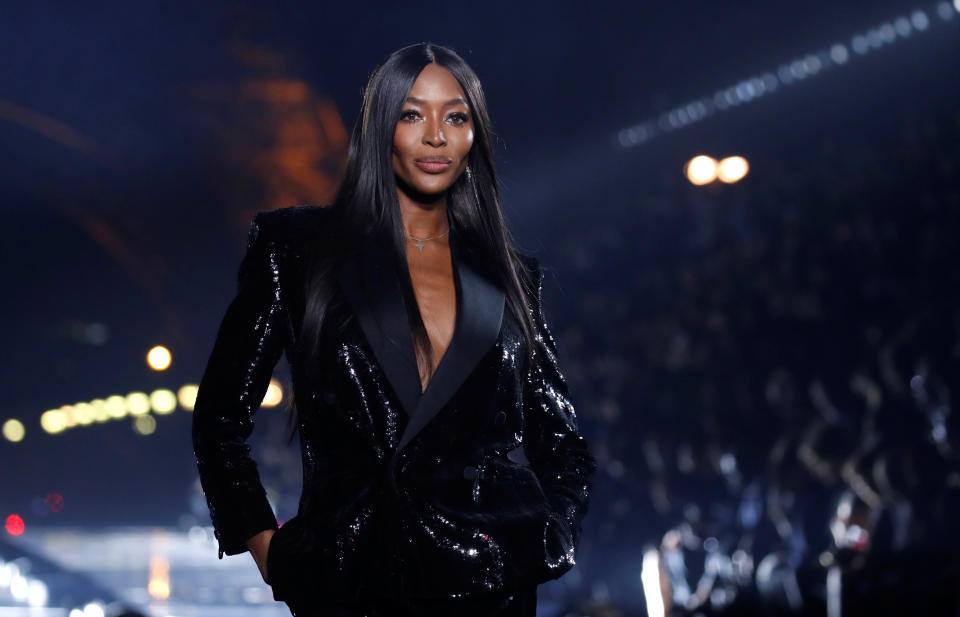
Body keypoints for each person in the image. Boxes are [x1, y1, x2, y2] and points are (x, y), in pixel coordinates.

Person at [191, 42, 597, 617]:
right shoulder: (299, 251)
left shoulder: (509, 277)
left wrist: (547, 538)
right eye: (412, 114)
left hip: (490, 588)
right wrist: (268, 548)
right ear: (381, 127)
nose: (436, 136)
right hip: (352, 583)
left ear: (474, 135)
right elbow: (218, 420)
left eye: (455, 116)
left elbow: (564, 446)